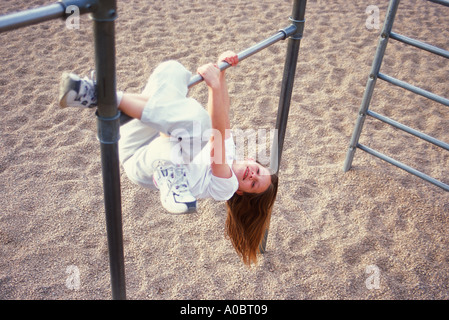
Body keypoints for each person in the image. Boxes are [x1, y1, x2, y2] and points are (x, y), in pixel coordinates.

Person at [58, 51, 278, 265]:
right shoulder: (233, 151)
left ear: (242, 191)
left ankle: (169, 175)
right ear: (251, 159)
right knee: (173, 71)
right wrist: (222, 70)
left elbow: (216, 141)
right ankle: (104, 98)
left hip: (146, 162)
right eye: (258, 171)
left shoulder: (226, 188)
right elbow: (224, 116)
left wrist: (214, 85)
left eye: (253, 184)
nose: (252, 175)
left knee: (198, 124)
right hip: (139, 135)